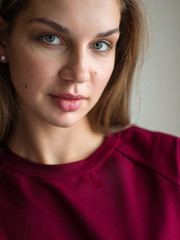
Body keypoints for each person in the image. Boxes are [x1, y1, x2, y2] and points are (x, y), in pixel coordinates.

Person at [0, 0, 179, 239]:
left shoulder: (172, 167)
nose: (79, 73)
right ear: (3, 40)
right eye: (51, 38)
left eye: (100, 44)